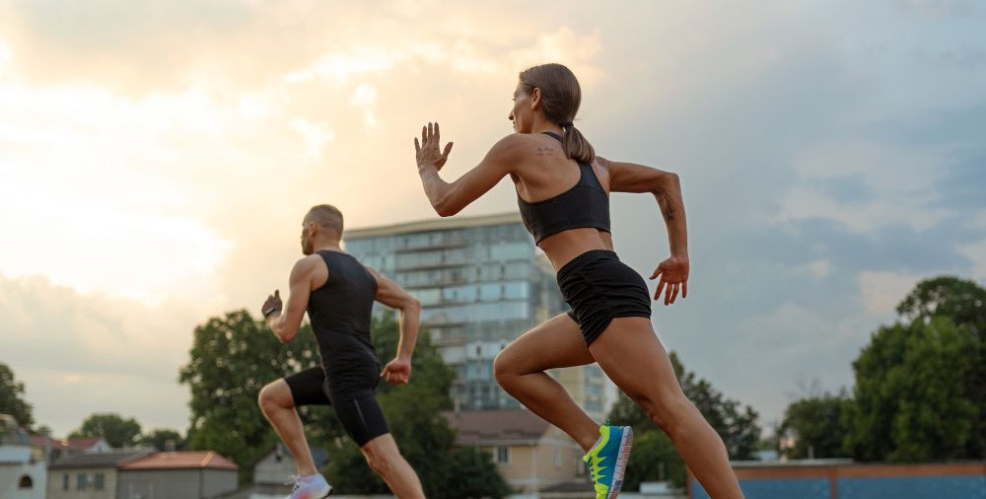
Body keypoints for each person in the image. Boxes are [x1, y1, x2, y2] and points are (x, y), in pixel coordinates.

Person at [413, 64, 745, 499]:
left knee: (669, 408)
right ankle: (597, 441)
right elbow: (666, 180)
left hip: (598, 287)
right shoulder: (595, 165)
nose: (509, 113)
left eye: (513, 99)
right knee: (511, 367)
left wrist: (426, 168)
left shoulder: (519, 147)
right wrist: (679, 253)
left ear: (533, 98)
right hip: (597, 291)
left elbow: (445, 200)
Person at [257, 204, 426, 499]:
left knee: (383, 458)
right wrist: (404, 357)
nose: (302, 236)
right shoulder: (365, 273)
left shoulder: (308, 267)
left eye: (302, 229)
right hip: (338, 372)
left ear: (312, 228)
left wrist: (272, 313)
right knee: (272, 398)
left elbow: (286, 331)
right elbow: (411, 303)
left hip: (347, 375)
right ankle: (309, 478)